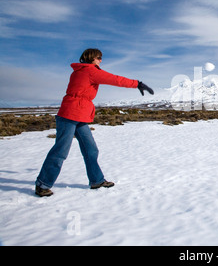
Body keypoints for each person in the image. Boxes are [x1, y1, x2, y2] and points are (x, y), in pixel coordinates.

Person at [35, 48, 154, 197]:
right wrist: (137, 84)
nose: (101, 60)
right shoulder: (90, 71)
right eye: (99, 57)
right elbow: (115, 79)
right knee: (60, 151)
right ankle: (42, 184)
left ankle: (96, 180)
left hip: (79, 115)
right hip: (70, 115)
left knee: (91, 149)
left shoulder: (79, 71)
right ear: (91, 58)